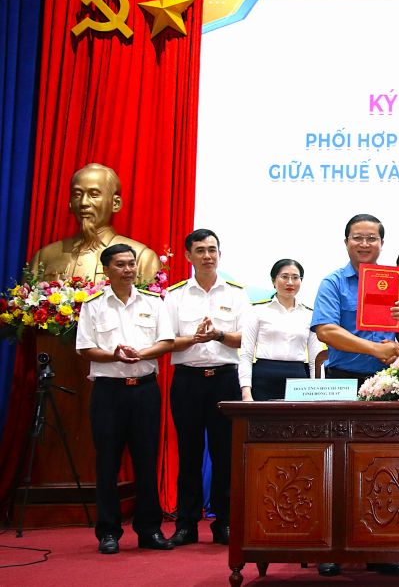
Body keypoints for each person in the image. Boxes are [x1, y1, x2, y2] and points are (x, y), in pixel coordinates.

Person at [311, 214, 399, 577]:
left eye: (372, 238)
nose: (365, 244)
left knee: (385, 466)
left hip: (386, 383)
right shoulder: (333, 282)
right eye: (358, 238)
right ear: (346, 242)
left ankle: (379, 547)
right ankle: (333, 547)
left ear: (382, 243)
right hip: (345, 382)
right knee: (339, 465)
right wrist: (373, 349)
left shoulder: (394, 282)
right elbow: (325, 331)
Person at [76, 244, 175, 555]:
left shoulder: (154, 302)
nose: (128, 269)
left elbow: (167, 342)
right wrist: (114, 355)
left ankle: (150, 530)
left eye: (131, 264)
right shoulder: (93, 306)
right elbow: (85, 348)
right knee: (107, 463)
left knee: (147, 460)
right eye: (120, 264)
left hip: (144, 391)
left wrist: (141, 354)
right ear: (106, 270)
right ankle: (108, 532)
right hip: (109, 392)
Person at [164, 229, 249, 547]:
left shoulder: (236, 294)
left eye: (212, 250)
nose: (207, 256)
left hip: (225, 380)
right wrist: (194, 339)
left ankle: (224, 522)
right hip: (187, 380)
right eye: (200, 250)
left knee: (224, 453)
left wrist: (218, 335)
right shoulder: (174, 295)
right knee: (189, 453)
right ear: (188, 256)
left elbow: (245, 339)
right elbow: (166, 341)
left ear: (219, 254)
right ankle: (186, 524)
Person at [29, 163, 159, 283]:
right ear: (70, 204)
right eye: (77, 195)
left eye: (94, 195)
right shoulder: (44, 256)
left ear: (115, 203)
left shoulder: (141, 258)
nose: (83, 203)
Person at [238, 259, 323, 401]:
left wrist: (318, 394)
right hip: (263, 378)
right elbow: (246, 355)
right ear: (273, 280)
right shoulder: (257, 310)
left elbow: (316, 360)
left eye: (295, 277)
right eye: (284, 277)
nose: (290, 282)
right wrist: (246, 393)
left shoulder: (310, 314)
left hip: (298, 380)